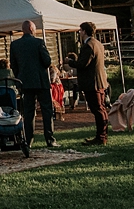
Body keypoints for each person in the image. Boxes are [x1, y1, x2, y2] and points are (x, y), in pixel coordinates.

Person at [10, 19, 59, 148]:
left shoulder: (15, 45)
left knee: (28, 112)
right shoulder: (39, 42)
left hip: (25, 82)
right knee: (46, 110)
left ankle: (28, 140)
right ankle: (50, 139)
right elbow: (47, 61)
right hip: (40, 81)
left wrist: (20, 77)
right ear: (32, 29)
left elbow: (13, 65)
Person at [70, 22, 109, 146]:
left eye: (80, 30)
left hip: (92, 83)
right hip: (100, 81)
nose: (79, 33)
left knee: (98, 110)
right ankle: (102, 135)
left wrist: (70, 62)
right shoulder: (98, 44)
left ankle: (101, 137)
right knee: (101, 109)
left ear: (84, 31)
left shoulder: (88, 46)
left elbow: (83, 64)